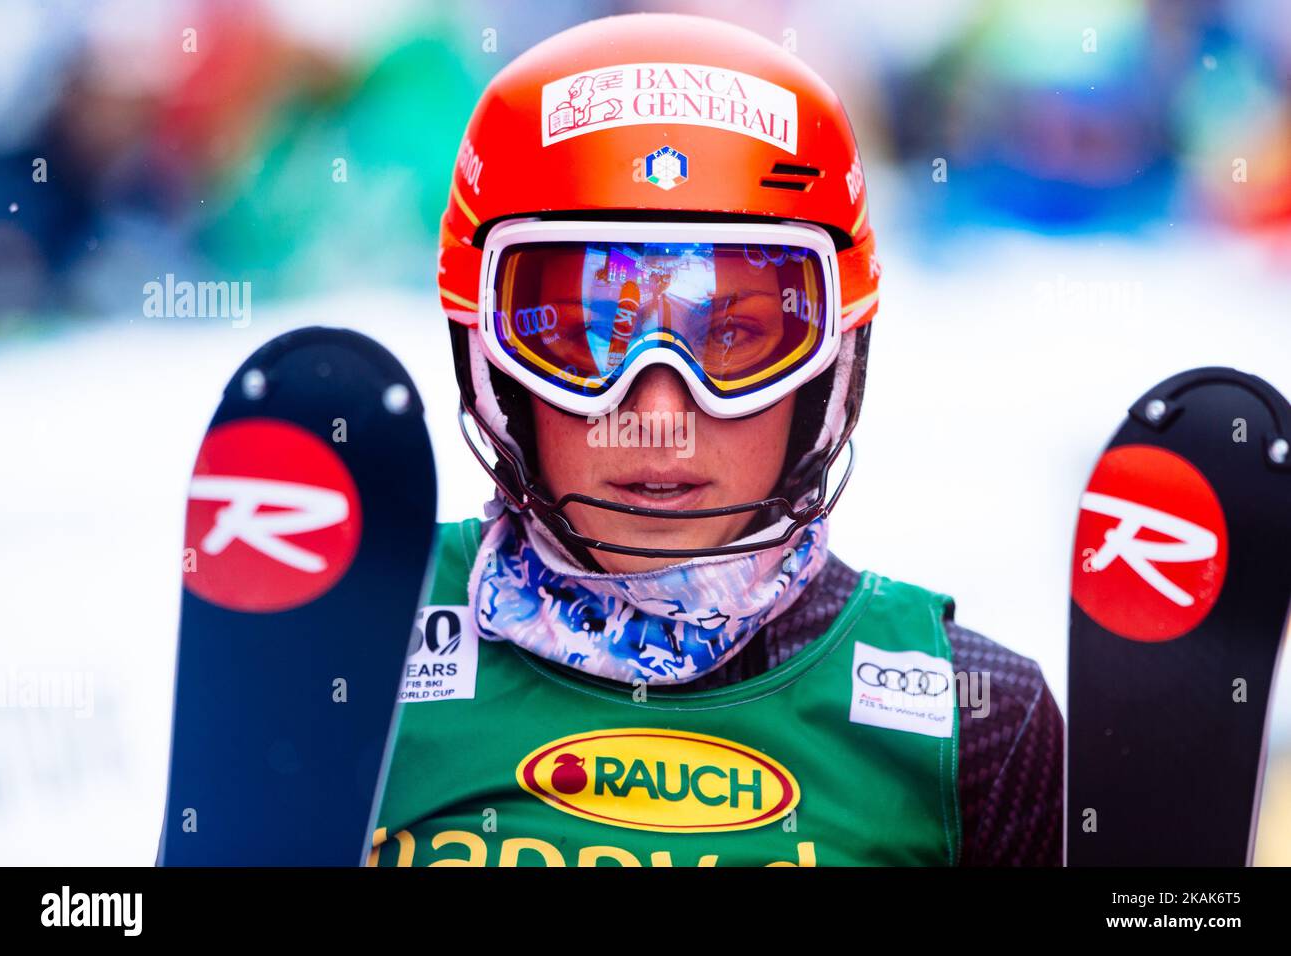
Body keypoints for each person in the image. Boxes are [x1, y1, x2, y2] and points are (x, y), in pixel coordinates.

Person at [370, 12, 1063, 867]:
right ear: (496, 368)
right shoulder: (354, 640)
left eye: (733, 339)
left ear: (827, 371)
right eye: (590, 336)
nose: (658, 413)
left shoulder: (976, 720)